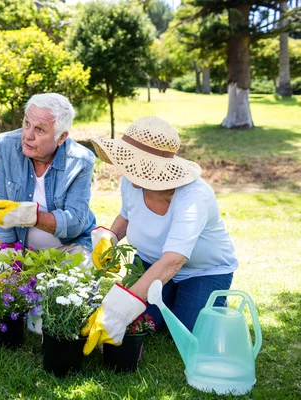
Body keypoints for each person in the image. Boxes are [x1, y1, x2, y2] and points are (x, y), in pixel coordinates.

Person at [81, 116, 239, 355]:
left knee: (187, 332)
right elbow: (126, 216)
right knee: (145, 325)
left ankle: (208, 299)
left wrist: (118, 310)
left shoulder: (194, 196)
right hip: (149, 263)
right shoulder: (132, 180)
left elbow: (173, 261)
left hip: (202, 270)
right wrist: (110, 237)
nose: (126, 169)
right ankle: (171, 298)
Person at [0, 93, 97, 262]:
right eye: (27, 123)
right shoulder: (4, 147)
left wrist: (31, 216)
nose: (28, 135)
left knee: (76, 287)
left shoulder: (80, 161)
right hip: (22, 249)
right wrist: (10, 255)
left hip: (72, 246)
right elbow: (1, 211)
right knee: (5, 287)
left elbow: (74, 223)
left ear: (61, 137)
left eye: (39, 129)